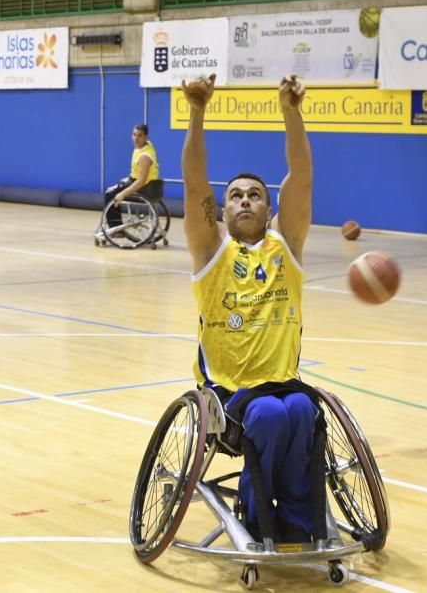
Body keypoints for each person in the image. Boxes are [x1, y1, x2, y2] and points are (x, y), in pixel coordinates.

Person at [181, 73, 322, 544]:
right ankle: (257, 512)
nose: (244, 199)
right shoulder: (210, 252)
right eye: (235, 195)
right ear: (221, 212)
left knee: (302, 409)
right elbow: (195, 180)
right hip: (229, 395)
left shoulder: (287, 246)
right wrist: (197, 111)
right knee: (269, 417)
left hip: (284, 384)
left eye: (255, 195)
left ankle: (300, 524)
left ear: (270, 209)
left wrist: (291, 111)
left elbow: (301, 178)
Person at [95, 123, 160, 235]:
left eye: (140, 135)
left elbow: (141, 181)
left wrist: (123, 194)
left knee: (110, 193)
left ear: (146, 137)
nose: (136, 138)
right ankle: (116, 226)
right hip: (147, 184)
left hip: (144, 188)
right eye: (134, 135)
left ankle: (116, 229)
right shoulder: (146, 145)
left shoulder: (144, 156)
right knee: (117, 186)